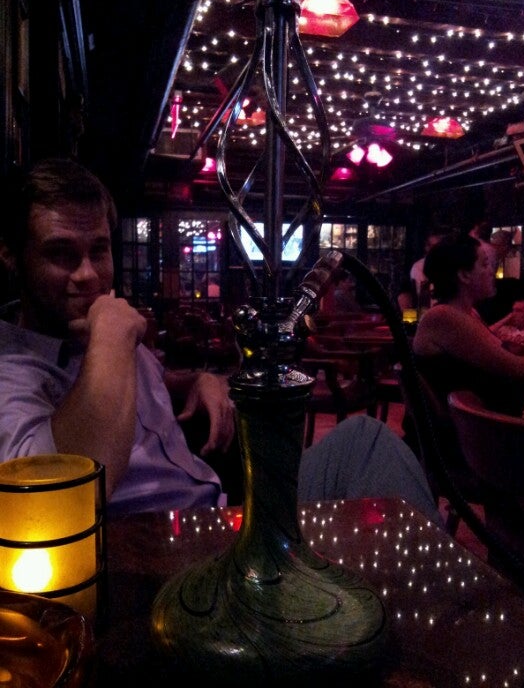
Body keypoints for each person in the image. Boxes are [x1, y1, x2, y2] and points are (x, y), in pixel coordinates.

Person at [0, 157, 442, 525]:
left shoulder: (103, 332)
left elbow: (158, 380)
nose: (87, 274)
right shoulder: (13, 369)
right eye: (60, 254)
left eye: (98, 251)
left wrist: (197, 380)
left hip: (222, 508)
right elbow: (58, 504)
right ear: (10, 256)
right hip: (161, 548)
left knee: (365, 441)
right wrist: (112, 338)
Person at [413, 233, 524, 418]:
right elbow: (516, 368)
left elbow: (500, 351)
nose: (492, 271)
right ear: (464, 275)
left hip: (484, 419)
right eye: (485, 264)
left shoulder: (468, 313)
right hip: (479, 429)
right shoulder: (444, 316)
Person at [409, 231, 445, 310]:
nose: (435, 250)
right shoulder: (418, 267)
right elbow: (420, 296)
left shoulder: (447, 265)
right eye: (433, 247)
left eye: (439, 247)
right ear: (426, 247)